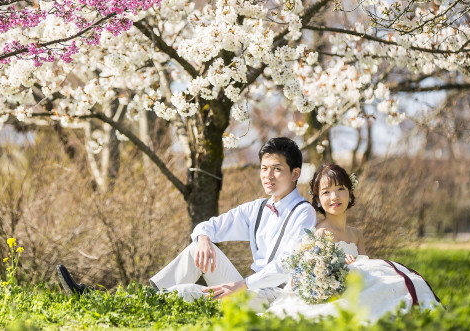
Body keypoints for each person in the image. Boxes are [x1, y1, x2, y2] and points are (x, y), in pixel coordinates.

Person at [57, 137, 317, 311]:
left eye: (276, 169)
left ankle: (112, 303)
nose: (267, 176)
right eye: (263, 168)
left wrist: (241, 285)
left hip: (276, 297)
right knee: (197, 248)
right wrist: (203, 238)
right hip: (247, 287)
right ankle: (112, 299)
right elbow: (208, 225)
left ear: (295, 174)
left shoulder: (303, 213)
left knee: (187, 292)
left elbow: (288, 265)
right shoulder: (257, 208)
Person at [267, 163, 441, 322]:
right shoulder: (321, 233)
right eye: (326, 192)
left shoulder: (356, 234)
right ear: (318, 199)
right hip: (338, 288)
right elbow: (319, 273)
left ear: (350, 193)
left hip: (359, 282)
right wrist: (342, 264)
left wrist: (357, 263)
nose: (334, 197)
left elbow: (367, 267)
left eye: (340, 189)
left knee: (403, 281)